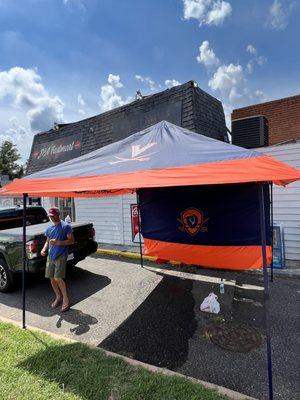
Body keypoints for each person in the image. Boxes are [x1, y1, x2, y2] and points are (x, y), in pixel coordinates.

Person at [41, 207, 74, 312]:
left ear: (58, 214)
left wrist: (59, 242)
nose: (51, 217)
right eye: (49, 216)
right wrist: (44, 249)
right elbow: (48, 241)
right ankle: (58, 297)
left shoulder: (66, 226)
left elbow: (71, 241)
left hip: (60, 255)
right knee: (51, 278)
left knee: (58, 278)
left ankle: (66, 299)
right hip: (50, 256)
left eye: (52, 215)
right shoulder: (49, 228)